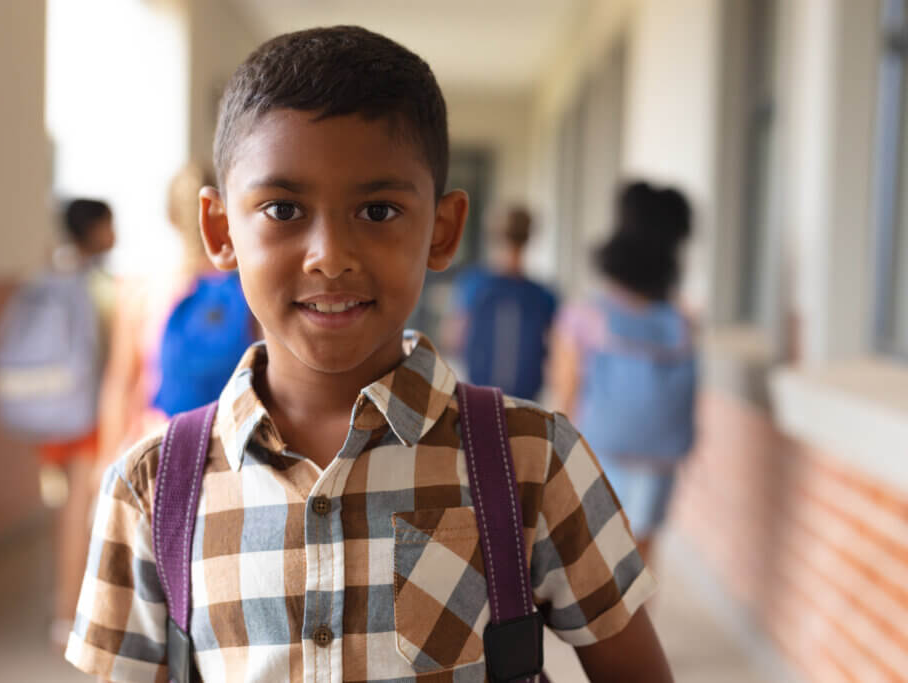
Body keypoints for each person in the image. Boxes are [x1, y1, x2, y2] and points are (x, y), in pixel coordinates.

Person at [66, 26, 671, 682]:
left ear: (442, 232)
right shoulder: (152, 491)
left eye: (378, 211)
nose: (330, 254)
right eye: (283, 208)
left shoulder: (532, 462)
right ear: (221, 230)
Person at [550, 181, 697, 564]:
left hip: (600, 449)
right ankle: (641, 621)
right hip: (659, 457)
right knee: (642, 553)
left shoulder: (585, 315)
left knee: (595, 555)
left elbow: (566, 391)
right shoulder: (682, 322)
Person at [95, 163, 256, 473]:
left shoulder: (146, 295)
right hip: (237, 449)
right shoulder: (248, 289)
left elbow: (119, 384)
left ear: (170, 217)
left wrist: (105, 462)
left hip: (163, 448)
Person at [41, 199, 116, 649]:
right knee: (79, 512)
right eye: (110, 225)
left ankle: (64, 608)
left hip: (55, 408)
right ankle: (70, 613)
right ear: (94, 229)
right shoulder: (96, 284)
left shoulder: (51, 274)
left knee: (66, 507)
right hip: (87, 411)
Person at [444, 205, 558, 400]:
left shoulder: (473, 285)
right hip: (525, 401)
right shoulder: (543, 295)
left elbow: (453, 339)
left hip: (478, 397)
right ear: (530, 237)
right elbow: (554, 355)